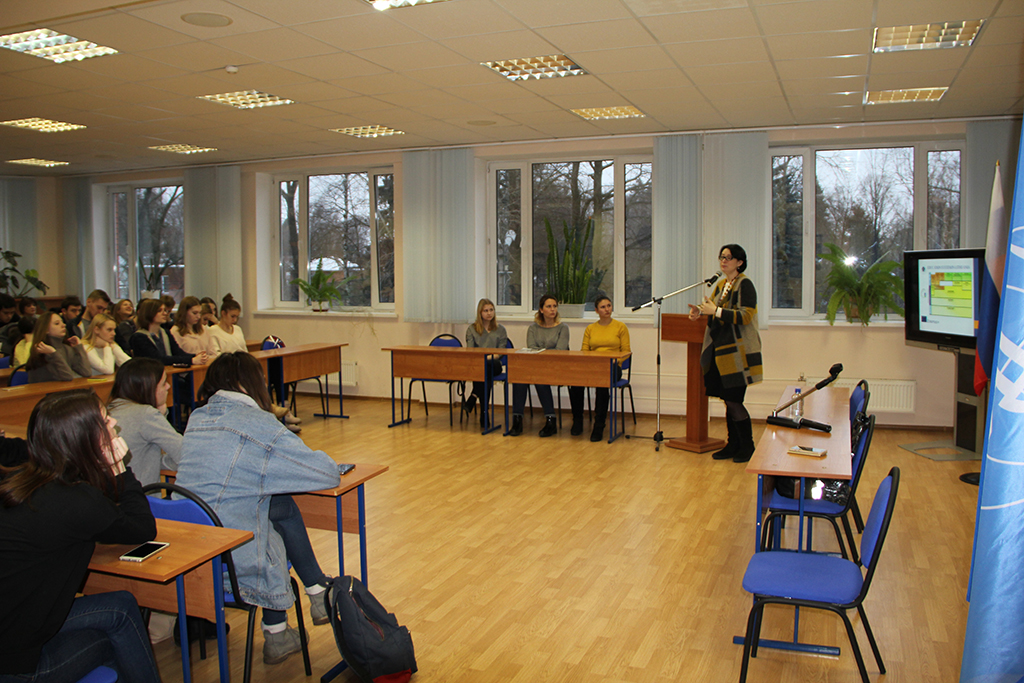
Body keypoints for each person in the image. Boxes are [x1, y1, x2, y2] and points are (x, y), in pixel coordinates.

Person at [175, 352, 341, 665]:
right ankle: (315, 593)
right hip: (232, 554)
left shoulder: (197, 417)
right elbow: (327, 474)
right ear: (246, 384)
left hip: (190, 550)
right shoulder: (256, 422)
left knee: (274, 504)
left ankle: (289, 620)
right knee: (272, 516)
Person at [0, 390, 160, 683]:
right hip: (16, 665)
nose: (114, 423)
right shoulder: (77, 501)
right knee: (117, 637)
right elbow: (142, 529)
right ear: (83, 438)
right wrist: (118, 469)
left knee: (121, 606)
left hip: (15, 626)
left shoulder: (20, 480)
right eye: (105, 420)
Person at [688, 243, 762, 463]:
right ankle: (732, 444)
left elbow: (745, 316)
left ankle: (747, 446)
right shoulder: (722, 284)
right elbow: (712, 308)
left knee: (734, 400)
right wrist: (699, 311)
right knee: (727, 400)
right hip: (721, 351)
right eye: (722, 257)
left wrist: (716, 311)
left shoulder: (745, 284)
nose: (723, 261)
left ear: (739, 262)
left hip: (738, 354)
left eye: (728, 258)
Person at [107, 357, 180, 487]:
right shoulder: (145, 414)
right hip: (142, 495)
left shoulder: (110, 409)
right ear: (148, 388)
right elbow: (186, 454)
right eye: (164, 383)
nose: (168, 386)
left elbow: (142, 455)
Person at [568, 295, 631, 442]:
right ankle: (577, 420)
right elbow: (584, 350)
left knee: (602, 383)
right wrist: (591, 363)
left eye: (609, 306)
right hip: (593, 365)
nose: (607, 309)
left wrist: (614, 362)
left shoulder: (620, 327)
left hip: (613, 366)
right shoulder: (591, 328)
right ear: (596, 310)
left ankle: (599, 425)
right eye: (603, 307)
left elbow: (626, 351)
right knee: (575, 381)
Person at [509, 294, 569, 438]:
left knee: (540, 378)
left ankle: (550, 420)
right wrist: (545, 352)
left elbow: (560, 350)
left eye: (554, 306)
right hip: (536, 365)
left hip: (556, 366)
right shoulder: (533, 328)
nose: (552, 309)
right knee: (519, 377)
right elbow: (531, 348)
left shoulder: (563, 328)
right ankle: (517, 419)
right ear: (541, 310)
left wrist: (542, 351)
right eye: (549, 306)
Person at [464, 298, 507, 429]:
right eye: (486, 310)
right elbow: (470, 351)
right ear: (480, 313)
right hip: (479, 365)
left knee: (486, 367)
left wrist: (487, 357)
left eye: (491, 310)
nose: (489, 313)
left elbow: (501, 351)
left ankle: (473, 396)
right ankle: (484, 413)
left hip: (495, 364)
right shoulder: (472, 329)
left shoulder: (500, 329)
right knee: (484, 374)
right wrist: (483, 359)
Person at [129, 299, 205, 366]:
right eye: (160, 311)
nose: (165, 313)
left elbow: (178, 353)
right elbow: (158, 359)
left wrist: (196, 356)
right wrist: (191, 360)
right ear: (149, 313)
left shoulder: (165, 333)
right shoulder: (139, 337)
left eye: (165, 310)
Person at [25, 311, 91, 382]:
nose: (63, 325)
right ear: (46, 330)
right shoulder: (42, 350)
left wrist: (79, 347)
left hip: (62, 388)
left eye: (63, 322)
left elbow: (86, 372)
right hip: (44, 388)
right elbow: (67, 376)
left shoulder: (66, 348)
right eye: (57, 323)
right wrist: (53, 354)